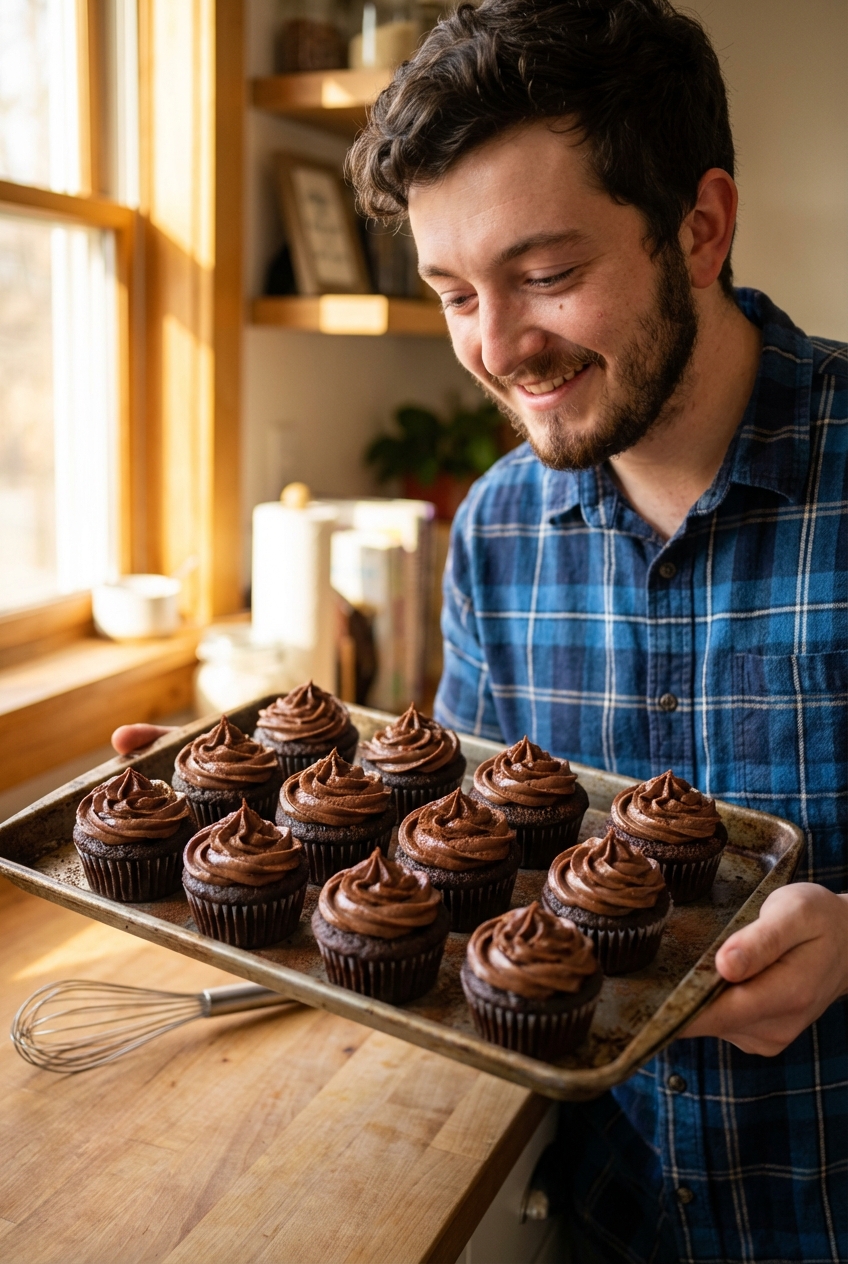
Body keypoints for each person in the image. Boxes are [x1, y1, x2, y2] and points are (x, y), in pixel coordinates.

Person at [114, 2, 846, 1259]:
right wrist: (252, 812)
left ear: (699, 226)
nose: (499, 348)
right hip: (608, 1222)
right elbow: (462, 866)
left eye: (547, 276)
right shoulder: (497, 525)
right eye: (454, 292)